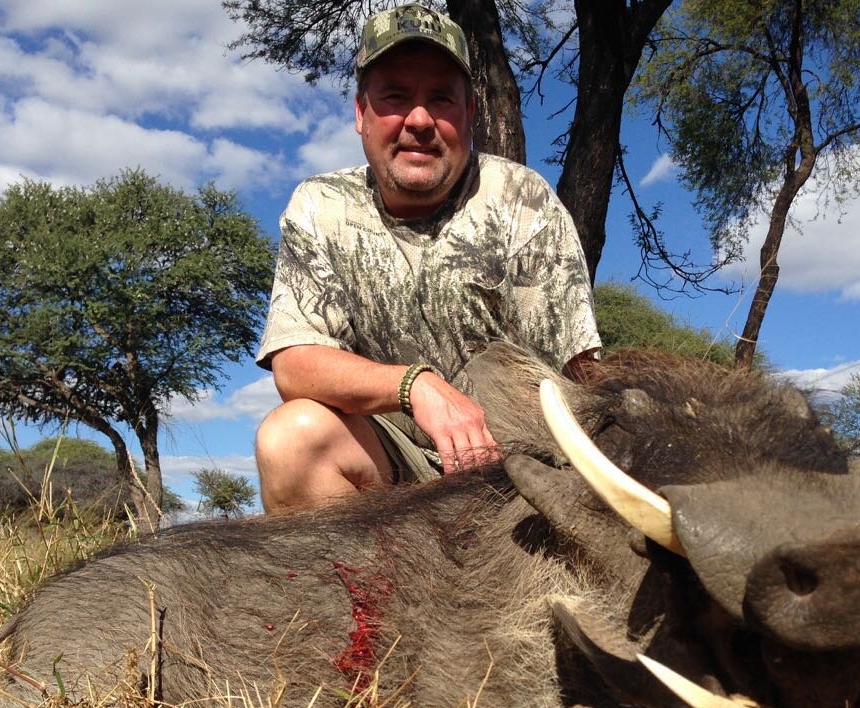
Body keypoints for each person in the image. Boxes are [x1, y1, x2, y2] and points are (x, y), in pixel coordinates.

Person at [254, 3, 601, 513]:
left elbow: (579, 373)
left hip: (518, 477)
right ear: (360, 114)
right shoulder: (319, 206)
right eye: (395, 96)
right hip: (391, 475)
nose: (419, 120)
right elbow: (296, 365)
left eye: (441, 99)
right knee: (292, 440)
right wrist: (416, 386)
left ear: (469, 115)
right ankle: (359, 594)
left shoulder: (523, 199)